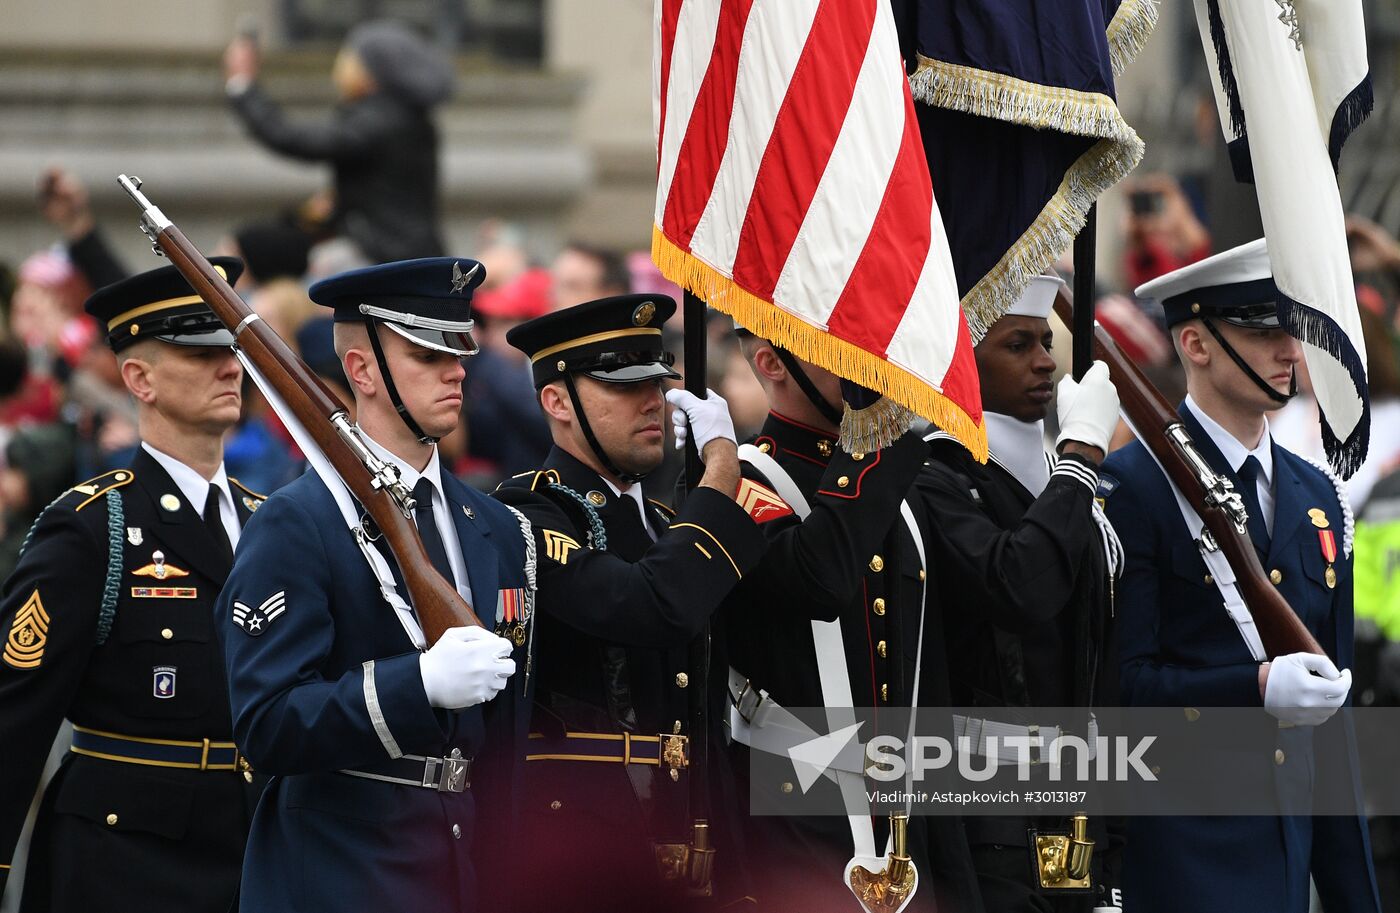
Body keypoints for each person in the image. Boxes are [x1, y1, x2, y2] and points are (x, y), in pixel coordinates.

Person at [215, 257, 531, 912]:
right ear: (361, 371)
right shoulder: (296, 522)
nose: (456, 370)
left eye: (459, 349)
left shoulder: (496, 525)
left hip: (463, 868)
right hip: (339, 870)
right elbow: (267, 722)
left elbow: (505, 742)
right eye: (426, 353)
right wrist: (413, 684)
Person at [1101, 240, 1382, 913]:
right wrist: (1250, 687)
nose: (1290, 350)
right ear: (1195, 343)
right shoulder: (1136, 488)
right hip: (1178, 861)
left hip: (1285, 864)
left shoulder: (1319, 495)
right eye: (1264, 331)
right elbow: (1122, 691)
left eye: (1295, 329)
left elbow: (1333, 732)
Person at [0, 258, 264, 912]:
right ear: (139, 378)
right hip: (122, 866)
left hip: (251, 857)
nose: (230, 367)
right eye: (200, 355)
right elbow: (13, 719)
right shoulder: (94, 527)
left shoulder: (270, 521)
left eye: (232, 349)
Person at [492, 294, 767, 911]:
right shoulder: (527, 514)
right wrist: (723, 464)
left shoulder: (669, 522)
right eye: (622, 385)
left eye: (658, 381)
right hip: (587, 851)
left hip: (695, 842)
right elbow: (651, 607)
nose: (654, 400)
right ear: (556, 402)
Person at [722, 327, 983, 913]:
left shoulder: (893, 481)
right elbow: (821, 578)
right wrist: (878, 433)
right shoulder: (739, 484)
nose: (871, 365)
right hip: (791, 820)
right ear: (772, 361)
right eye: (843, 351)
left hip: (908, 826)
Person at [916, 274, 1124, 912]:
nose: (1045, 361)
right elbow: (1016, 586)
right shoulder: (936, 477)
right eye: (1016, 345)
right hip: (993, 811)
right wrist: (1081, 459)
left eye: (1046, 342)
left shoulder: (1060, 477)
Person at [223, 21, 453, 264]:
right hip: (400, 249)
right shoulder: (400, 115)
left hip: (385, 256)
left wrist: (242, 84)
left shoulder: (379, 119)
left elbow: (295, 138)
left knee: (320, 271)